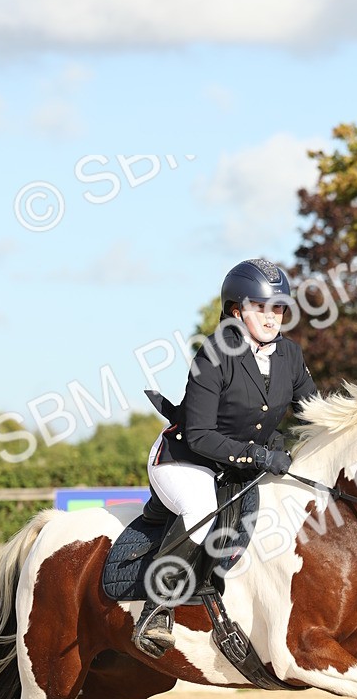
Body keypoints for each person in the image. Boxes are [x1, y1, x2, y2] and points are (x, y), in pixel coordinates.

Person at [132, 257, 318, 657]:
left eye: (280, 308)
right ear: (237, 310)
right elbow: (198, 435)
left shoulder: (290, 355)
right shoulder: (213, 354)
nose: (273, 318)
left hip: (239, 466)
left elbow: (315, 413)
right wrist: (257, 455)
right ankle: (157, 608)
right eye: (262, 308)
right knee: (201, 507)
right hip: (185, 459)